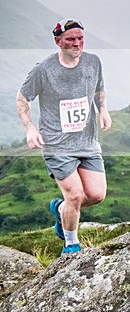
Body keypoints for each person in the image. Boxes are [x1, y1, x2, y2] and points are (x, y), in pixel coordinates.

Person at [16, 19, 112, 254]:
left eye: (80, 38)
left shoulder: (93, 62)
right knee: (76, 195)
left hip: (87, 142)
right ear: (58, 41)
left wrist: (103, 110)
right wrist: (30, 128)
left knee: (96, 195)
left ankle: (60, 210)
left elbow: (99, 88)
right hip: (57, 144)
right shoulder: (43, 70)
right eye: (70, 39)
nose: (76, 44)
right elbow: (22, 98)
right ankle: (71, 243)